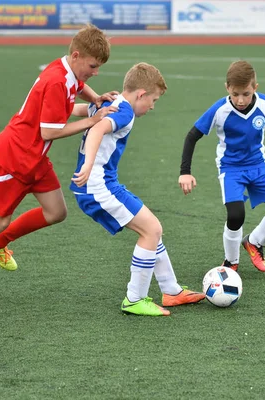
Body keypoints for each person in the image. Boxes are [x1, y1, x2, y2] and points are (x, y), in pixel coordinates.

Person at [0, 24, 118, 304]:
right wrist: (92, 119)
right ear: (77, 55)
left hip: (34, 157)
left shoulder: (66, 71)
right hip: (15, 156)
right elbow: (49, 131)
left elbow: (78, 88)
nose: (96, 72)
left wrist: (95, 98)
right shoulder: (57, 80)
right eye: (93, 65)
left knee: (56, 211)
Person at [70, 62, 206, 317]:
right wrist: (88, 164)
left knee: (152, 229)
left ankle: (172, 291)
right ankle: (135, 299)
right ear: (141, 94)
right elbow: (98, 127)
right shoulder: (125, 112)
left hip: (103, 184)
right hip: (97, 186)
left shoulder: (111, 102)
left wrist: (61, 109)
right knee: (151, 229)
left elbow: (82, 110)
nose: (152, 106)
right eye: (153, 100)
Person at [178, 60, 265, 273]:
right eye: (235, 93)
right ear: (227, 88)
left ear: (255, 88)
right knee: (236, 215)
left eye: (246, 94)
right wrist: (185, 172)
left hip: (258, 165)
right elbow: (192, 136)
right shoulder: (219, 110)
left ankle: (255, 242)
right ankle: (231, 262)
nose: (240, 100)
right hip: (231, 169)